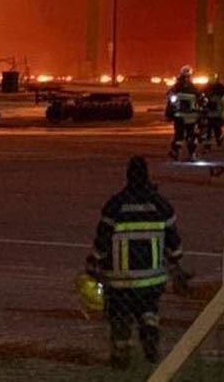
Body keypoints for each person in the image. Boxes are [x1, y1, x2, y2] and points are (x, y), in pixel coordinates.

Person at [88, 156, 184, 368]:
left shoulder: (115, 205)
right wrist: (176, 260)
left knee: (120, 315)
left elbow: (102, 240)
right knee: (148, 308)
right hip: (152, 279)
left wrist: (93, 262)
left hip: (120, 279)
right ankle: (150, 332)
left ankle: (121, 356)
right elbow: (174, 244)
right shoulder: (161, 206)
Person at [167, 66, 200, 160]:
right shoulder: (193, 87)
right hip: (191, 116)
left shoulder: (177, 87)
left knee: (179, 135)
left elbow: (170, 100)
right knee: (191, 135)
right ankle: (191, 154)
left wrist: (169, 114)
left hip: (179, 116)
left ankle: (176, 152)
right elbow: (200, 98)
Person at [203, 74, 224, 147]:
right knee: (210, 129)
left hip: (215, 113)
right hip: (212, 113)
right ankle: (212, 143)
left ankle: (216, 141)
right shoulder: (208, 88)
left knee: (214, 129)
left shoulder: (219, 88)